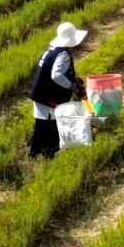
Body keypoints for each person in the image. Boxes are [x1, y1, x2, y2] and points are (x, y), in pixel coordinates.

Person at [30, 20, 87, 159]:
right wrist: (72, 86)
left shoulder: (52, 49)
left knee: (41, 124)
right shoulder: (63, 54)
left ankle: (34, 153)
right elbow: (56, 75)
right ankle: (48, 155)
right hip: (49, 96)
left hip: (40, 93)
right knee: (51, 126)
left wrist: (74, 79)